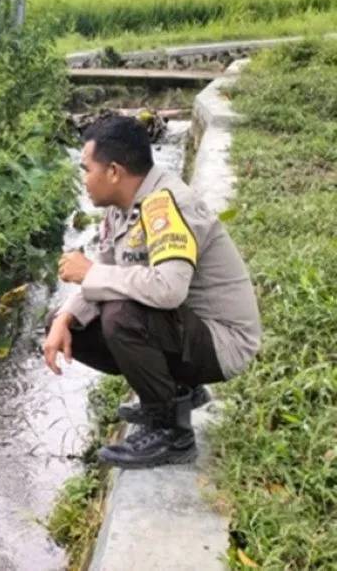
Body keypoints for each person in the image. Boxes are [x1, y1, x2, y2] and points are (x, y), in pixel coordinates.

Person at [44, 115, 261, 469]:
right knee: (71, 325)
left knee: (121, 314)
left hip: (222, 342)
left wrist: (92, 272)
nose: (83, 180)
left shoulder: (167, 205)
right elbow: (107, 269)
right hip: (184, 330)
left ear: (113, 171)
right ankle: (178, 390)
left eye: (86, 169)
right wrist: (65, 317)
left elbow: (169, 289)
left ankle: (171, 431)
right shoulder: (123, 207)